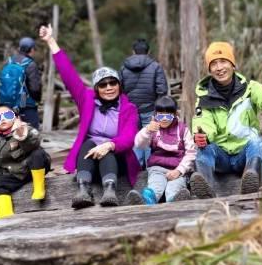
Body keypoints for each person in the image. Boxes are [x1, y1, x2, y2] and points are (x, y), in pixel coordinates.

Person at [39, 24, 140, 209]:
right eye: (103, 85)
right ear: (96, 89)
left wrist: (109, 145)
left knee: (104, 149)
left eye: (112, 83)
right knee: (88, 143)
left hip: (117, 160)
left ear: (119, 85)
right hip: (89, 158)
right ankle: (83, 189)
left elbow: (129, 138)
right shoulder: (86, 100)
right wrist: (51, 42)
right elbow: (69, 75)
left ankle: (110, 191)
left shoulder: (129, 108)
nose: (109, 88)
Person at [190, 42, 262, 199]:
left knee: (258, 142)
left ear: (233, 64)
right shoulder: (204, 97)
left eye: (223, 61)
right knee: (204, 149)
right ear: (209, 70)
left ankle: (252, 179)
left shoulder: (250, 87)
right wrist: (202, 135)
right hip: (221, 156)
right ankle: (205, 186)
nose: (219, 68)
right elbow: (203, 121)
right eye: (214, 64)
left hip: (244, 153)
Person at [125, 96, 196, 205]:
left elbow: (191, 153)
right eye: (160, 115)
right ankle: (147, 200)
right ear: (155, 115)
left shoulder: (183, 129)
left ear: (175, 115)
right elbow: (139, 144)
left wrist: (179, 170)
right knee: (156, 186)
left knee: (173, 188)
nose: (164, 119)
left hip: (177, 168)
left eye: (168, 115)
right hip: (157, 168)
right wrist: (147, 131)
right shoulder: (152, 129)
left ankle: (176, 200)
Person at [0, 104, 51, 222]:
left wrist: (21, 135)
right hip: (17, 173)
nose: (3, 119)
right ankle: (4, 212)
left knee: (38, 153)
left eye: (7, 115)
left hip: (35, 166)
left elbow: (34, 143)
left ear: (15, 117)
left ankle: (39, 188)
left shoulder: (26, 128)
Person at [120, 38, 169, 169]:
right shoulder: (155, 66)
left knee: (136, 139)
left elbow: (120, 90)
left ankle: (136, 171)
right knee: (150, 140)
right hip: (150, 109)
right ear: (149, 51)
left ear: (133, 51)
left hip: (131, 110)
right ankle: (150, 170)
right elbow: (162, 90)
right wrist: (158, 110)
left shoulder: (124, 68)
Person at [0, 37, 42, 129]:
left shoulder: (9, 61)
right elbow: (35, 88)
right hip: (26, 105)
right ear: (32, 49)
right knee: (32, 134)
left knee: (12, 133)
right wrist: (38, 100)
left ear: (20, 48)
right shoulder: (30, 64)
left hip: (8, 105)